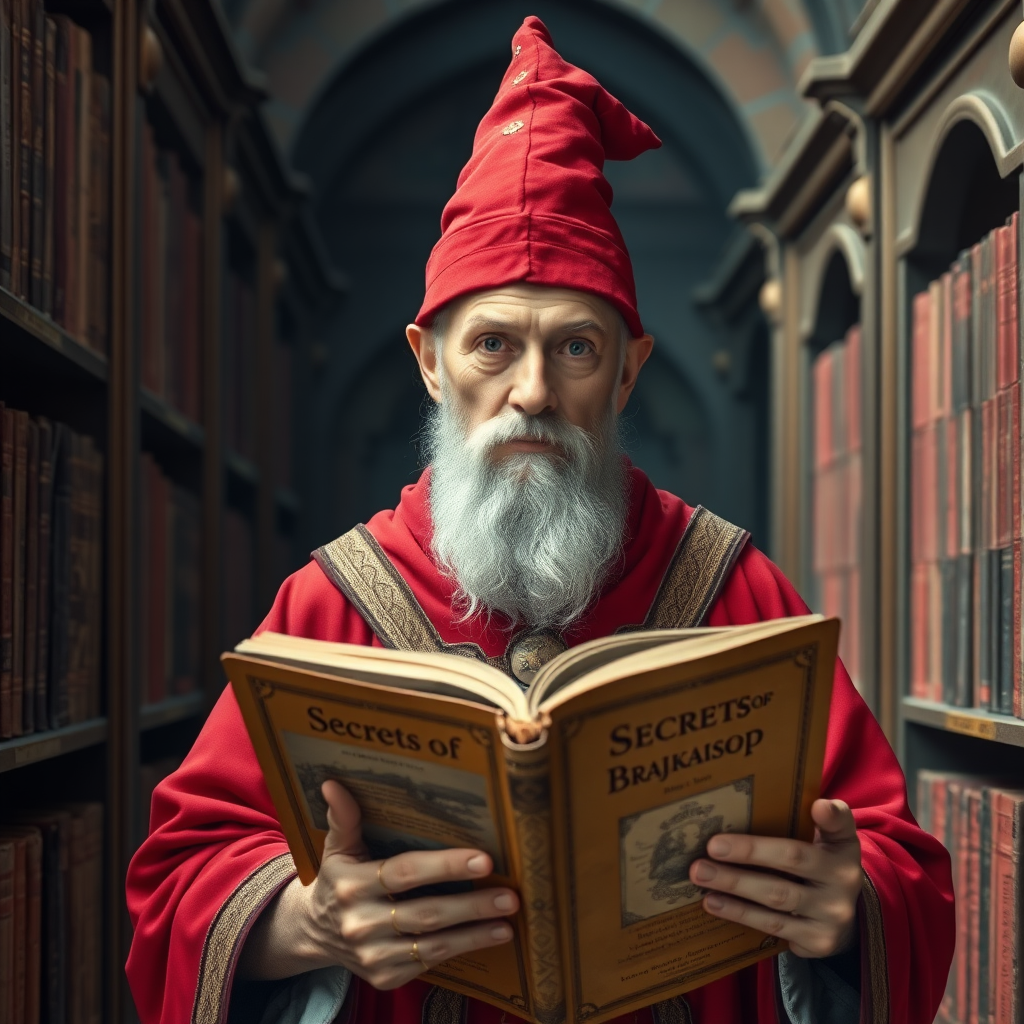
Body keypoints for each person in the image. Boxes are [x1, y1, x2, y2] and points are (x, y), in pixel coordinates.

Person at [125, 16, 954, 1024]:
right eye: (490, 347)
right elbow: (178, 882)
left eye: (573, 349)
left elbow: (895, 858)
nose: (529, 392)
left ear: (628, 371)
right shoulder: (329, 599)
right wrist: (305, 922)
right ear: (429, 361)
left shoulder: (733, 587)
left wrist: (846, 903)